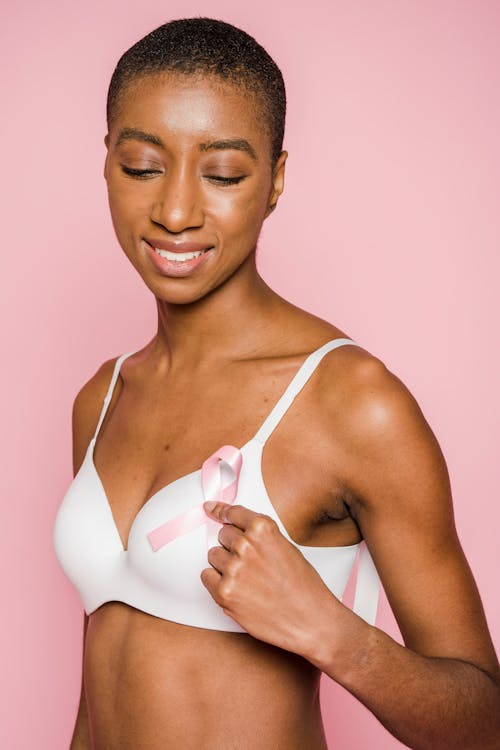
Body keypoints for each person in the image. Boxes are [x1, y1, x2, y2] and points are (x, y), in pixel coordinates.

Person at [53, 17, 500, 750]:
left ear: (276, 180)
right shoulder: (102, 399)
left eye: (224, 174)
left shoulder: (353, 403)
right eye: (141, 165)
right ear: (106, 161)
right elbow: (96, 692)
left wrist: (333, 634)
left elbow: (486, 726)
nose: (175, 212)